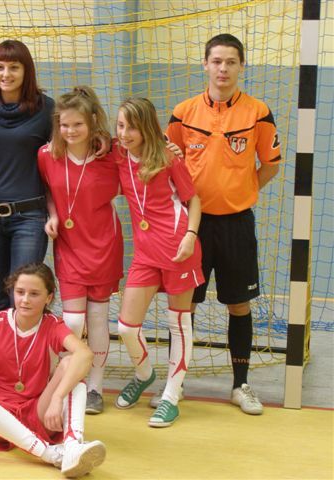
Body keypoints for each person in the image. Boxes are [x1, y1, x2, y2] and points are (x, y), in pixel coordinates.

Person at [166, 34, 281, 415]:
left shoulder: (258, 112)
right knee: (185, 306)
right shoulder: (183, 113)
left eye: (231, 62)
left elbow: (271, 165)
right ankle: (176, 383)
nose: (223, 69)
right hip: (192, 226)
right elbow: (166, 163)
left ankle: (240, 385)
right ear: (205, 64)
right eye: (216, 61)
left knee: (239, 305)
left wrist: (243, 191)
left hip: (236, 225)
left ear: (241, 66)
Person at [0, 263, 107, 478]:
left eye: (34, 294)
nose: (25, 299)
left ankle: (72, 445)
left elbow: (85, 354)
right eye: (20, 292)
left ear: (48, 297)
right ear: (12, 292)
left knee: (71, 363)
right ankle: (51, 454)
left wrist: (57, 398)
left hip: (37, 412)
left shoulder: (52, 324)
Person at [113, 97, 203, 427]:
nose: (124, 133)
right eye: (120, 126)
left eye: (132, 127)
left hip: (179, 249)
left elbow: (194, 200)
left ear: (147, 128)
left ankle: (171, 396)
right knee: (126, 327)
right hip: (145, 255)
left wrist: (190, 236)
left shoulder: (168, 157)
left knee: (178, 323)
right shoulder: (117, 155)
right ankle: (144, 373)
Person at [37, 86, 123, 415]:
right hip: (69, 246)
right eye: (64, 125)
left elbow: (146, 148)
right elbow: (48, 190)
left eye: (78, 125)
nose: (70, 131)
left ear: (92, 122)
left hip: (104, 245)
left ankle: (95, 387)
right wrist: (53, 215)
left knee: (98, 319)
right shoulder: (47, 155)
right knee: (72, 321)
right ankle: (69, 380)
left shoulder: (111, 155)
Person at [0, 40, 55, 312]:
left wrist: (101, 140)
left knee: (22, 299)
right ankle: (0, 343)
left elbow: (67, 147)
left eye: (14, 67)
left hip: (29, 219)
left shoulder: (47, 109)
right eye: (0, 67)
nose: (5, 74)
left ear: (26, 70)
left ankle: (29, 342)